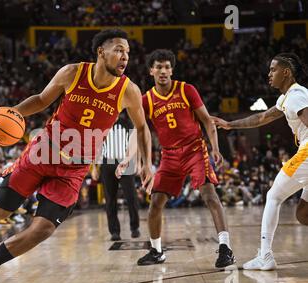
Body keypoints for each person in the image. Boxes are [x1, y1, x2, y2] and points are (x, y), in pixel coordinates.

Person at [0, 28, 153, 283]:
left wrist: (146, 162)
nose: (125, 57)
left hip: (74, 169)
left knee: (43, 229)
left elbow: (142, 128)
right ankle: (10, 175)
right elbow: (40, 100)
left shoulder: (128, 91)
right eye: (119, 50)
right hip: (43, 153)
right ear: (101, 51)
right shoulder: (72, 73)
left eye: (128, 53)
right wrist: (10, 112)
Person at [120, 49, 235, 268]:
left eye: (166, 67)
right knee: (155, 204)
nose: (163, 71)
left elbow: (207, 121)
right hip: (169, 155)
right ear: (151, 71)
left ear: (172, 70)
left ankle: (225, 248)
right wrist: (128, 157)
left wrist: (215, 148)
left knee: (209, 195)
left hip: (194, 150)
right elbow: (139, 130)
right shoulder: (146, 100)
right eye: (158, 67)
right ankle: (156, 251)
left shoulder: (186, 90)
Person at [212, 52, 308, 271]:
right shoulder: (287, 98)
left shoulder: (297, 95)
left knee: (273, 195)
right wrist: (230, 125)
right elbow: (262, 118)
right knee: (303, 214)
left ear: (286, 72)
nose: (269, 74)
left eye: (273, 70)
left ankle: (265, 255)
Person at [91, 111, 140, 241]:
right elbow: (96, 147)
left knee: (131, 197)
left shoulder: (127, 123)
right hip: (107, 163)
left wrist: (137, 163)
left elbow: (135, 144)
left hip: (125, 162)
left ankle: (134, 227)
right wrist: (94, 167)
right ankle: (114, 231)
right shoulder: (101, 125)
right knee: (110, 199)